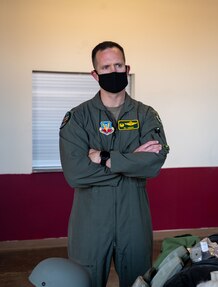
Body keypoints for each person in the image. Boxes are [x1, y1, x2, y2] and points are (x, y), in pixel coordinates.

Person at [59, 41, 169, 287]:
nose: (113, 71)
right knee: (84, 282)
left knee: (139, 283)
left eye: (118, 65)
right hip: (90, 222)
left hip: (134, 219)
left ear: (127, 68)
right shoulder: (78, 118)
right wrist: (131, 164)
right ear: (95, 74)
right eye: (106, 67)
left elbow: (153, 164)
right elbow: (76, 174)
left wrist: (106, 157)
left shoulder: (146, 115)